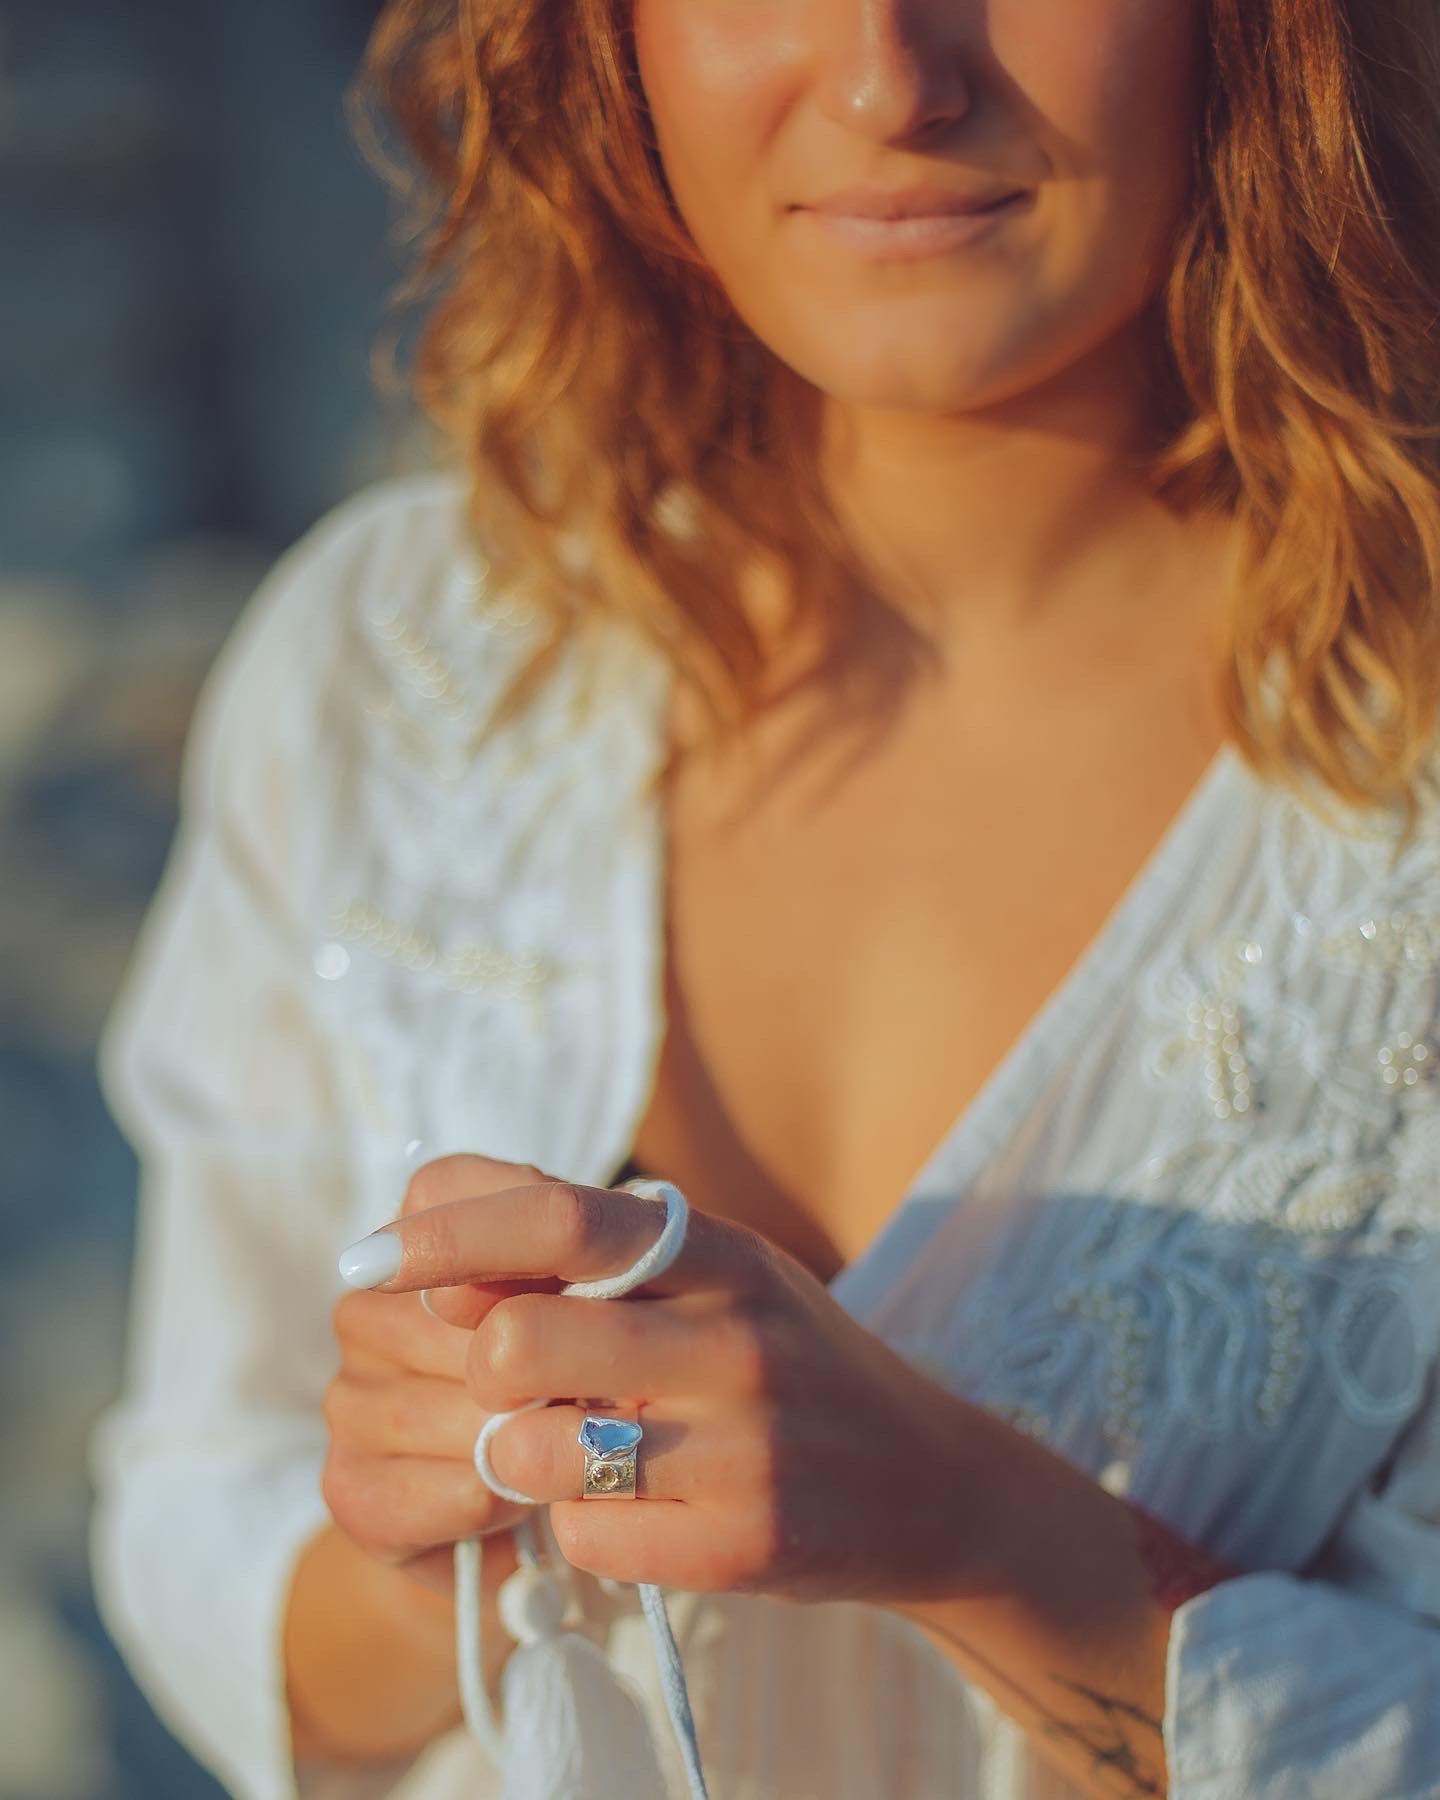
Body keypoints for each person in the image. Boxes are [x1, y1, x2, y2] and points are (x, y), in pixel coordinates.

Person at [87, 0, 1440, 1796]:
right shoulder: (390, 670)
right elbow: (201, 1535)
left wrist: (982, 1538)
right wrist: (449, 1560)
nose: (891, 79)